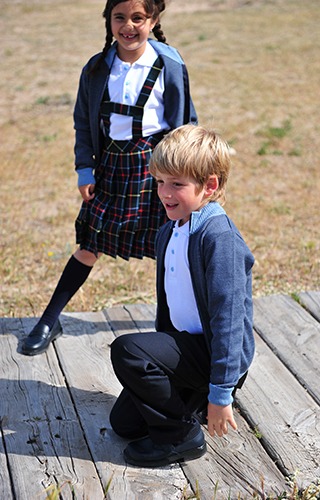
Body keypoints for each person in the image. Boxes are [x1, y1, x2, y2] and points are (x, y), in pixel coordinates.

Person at [21, 0, 197, 356]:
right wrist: (85, 168)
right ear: (108, 20)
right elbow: (83, 123)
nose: (128, 26)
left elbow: (186, 121)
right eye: (120, 17)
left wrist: (183, 174)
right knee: (90, 242)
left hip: (157, 167)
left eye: (138, 18)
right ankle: (49, 319)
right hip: (112, 168)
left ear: (154, 20)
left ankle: (168, 329)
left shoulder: (169, 64)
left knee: (169, 246)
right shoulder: (97, 68)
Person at [109, 124, 255, 467]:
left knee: (128, 350)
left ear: (210, 186)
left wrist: (221, 394)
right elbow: (170, 306)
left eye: (177, 184)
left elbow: (229, 319)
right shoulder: (170, 231)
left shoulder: (219, 239)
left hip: (216, 357)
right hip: (187, 350)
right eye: (160, 181)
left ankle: (181, 437)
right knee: (124, 425)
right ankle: (192, 400)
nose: (165, 192)